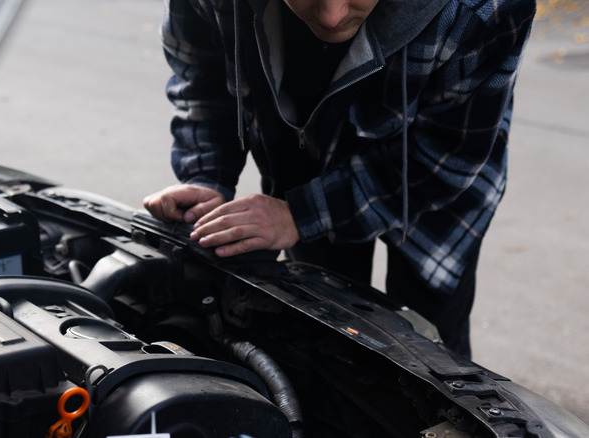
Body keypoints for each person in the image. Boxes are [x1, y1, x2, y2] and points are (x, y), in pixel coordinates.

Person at [143, 0, 535, 358]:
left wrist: (298, 215)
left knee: (431, 345)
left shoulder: (485, 9)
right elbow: (201, 71)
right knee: (323, 327)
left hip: (433, 189)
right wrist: (207, 174)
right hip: (304, 158)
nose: (332, 16)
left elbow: (447, 157)